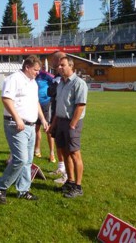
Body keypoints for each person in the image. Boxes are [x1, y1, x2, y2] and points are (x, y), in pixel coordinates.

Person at [0, 55, 49, 204]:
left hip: (30, 126)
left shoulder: (32, 82)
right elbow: (6, 99)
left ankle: (23, 190)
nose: (38, 73)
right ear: (27, 67)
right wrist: (17, 118)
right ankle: (1, 186)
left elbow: (35, 101)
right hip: (16, 125)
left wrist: (43, 119)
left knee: (28, 161)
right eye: (35, 70)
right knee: (20, 159)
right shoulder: (14, 79)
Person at [50, 56, 88, 198]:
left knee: (74, 153)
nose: (59, 67)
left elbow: (80, 105)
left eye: (62, 65)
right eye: (58, 65)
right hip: (60, 122)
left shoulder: (79, 83)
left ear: (71, 66)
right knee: (64, 152)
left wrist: (72, 124)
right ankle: (70, 181)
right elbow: (59, 107)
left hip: (72, 122)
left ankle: (78, 186)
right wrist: (53, 124)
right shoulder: (61, 84)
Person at [47, 51, 68, 183]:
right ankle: (61, 167)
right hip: (55, 113)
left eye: (54, 60)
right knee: (59, 144)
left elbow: (51, 91)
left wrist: (53, 84)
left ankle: (67, 175)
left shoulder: (63, 78)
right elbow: (50, 92)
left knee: (65, 146)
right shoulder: (56, 76)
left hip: (62, 116)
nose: (52, 63)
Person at [34, 65, 55, 162]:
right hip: (34, 104)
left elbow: (55, 82)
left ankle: (52, 153)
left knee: (48, 129)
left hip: (46, 104)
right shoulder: (32, 75)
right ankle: (37, 149)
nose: (37, 71)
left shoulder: (46, 75)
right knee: (36, 128)